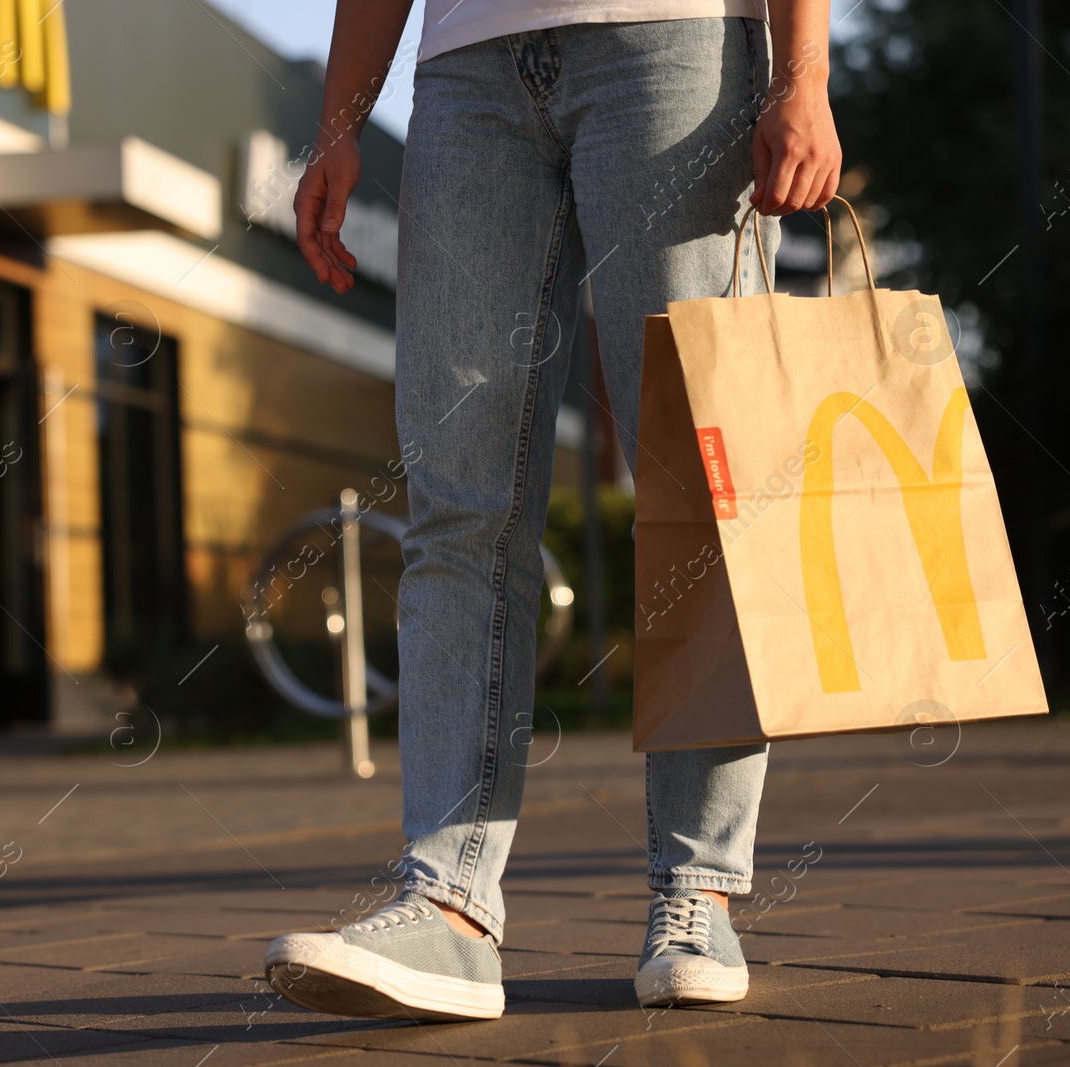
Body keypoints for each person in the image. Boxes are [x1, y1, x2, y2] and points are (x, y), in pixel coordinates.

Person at [264, 0, 842, 1021]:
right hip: (465, 69)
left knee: (697, 488)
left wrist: (802, 75)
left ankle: (697, 888)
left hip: (677, 46)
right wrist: (342, 122)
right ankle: (448, 905)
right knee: (457, 503)